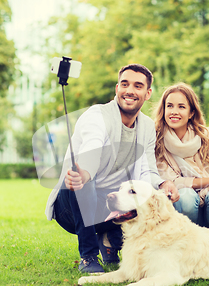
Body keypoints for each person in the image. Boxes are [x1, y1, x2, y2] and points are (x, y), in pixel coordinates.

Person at [45, 64, 180, 274]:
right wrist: (84, 173)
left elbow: (147, 170)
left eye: (138, 86)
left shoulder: (146, 127)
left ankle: (110, 238)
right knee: (85, 183)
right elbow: (92, 149)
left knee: (140, 192)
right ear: (117, 88)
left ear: (147, 93)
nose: (130, 91)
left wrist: (162, 183)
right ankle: (88, 256)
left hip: (110, 205)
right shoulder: (97, 115)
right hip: (72, 206)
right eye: (125, 84)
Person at [153, 82, 209, 228]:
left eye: (181, 107)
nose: (174, 111)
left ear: (191, 112)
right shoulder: (156, 139)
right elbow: (173, 183)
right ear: (164, 109)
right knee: (186, 196)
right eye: (170, 106)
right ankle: (187, 242)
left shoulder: (204, 136)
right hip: (181, 208)